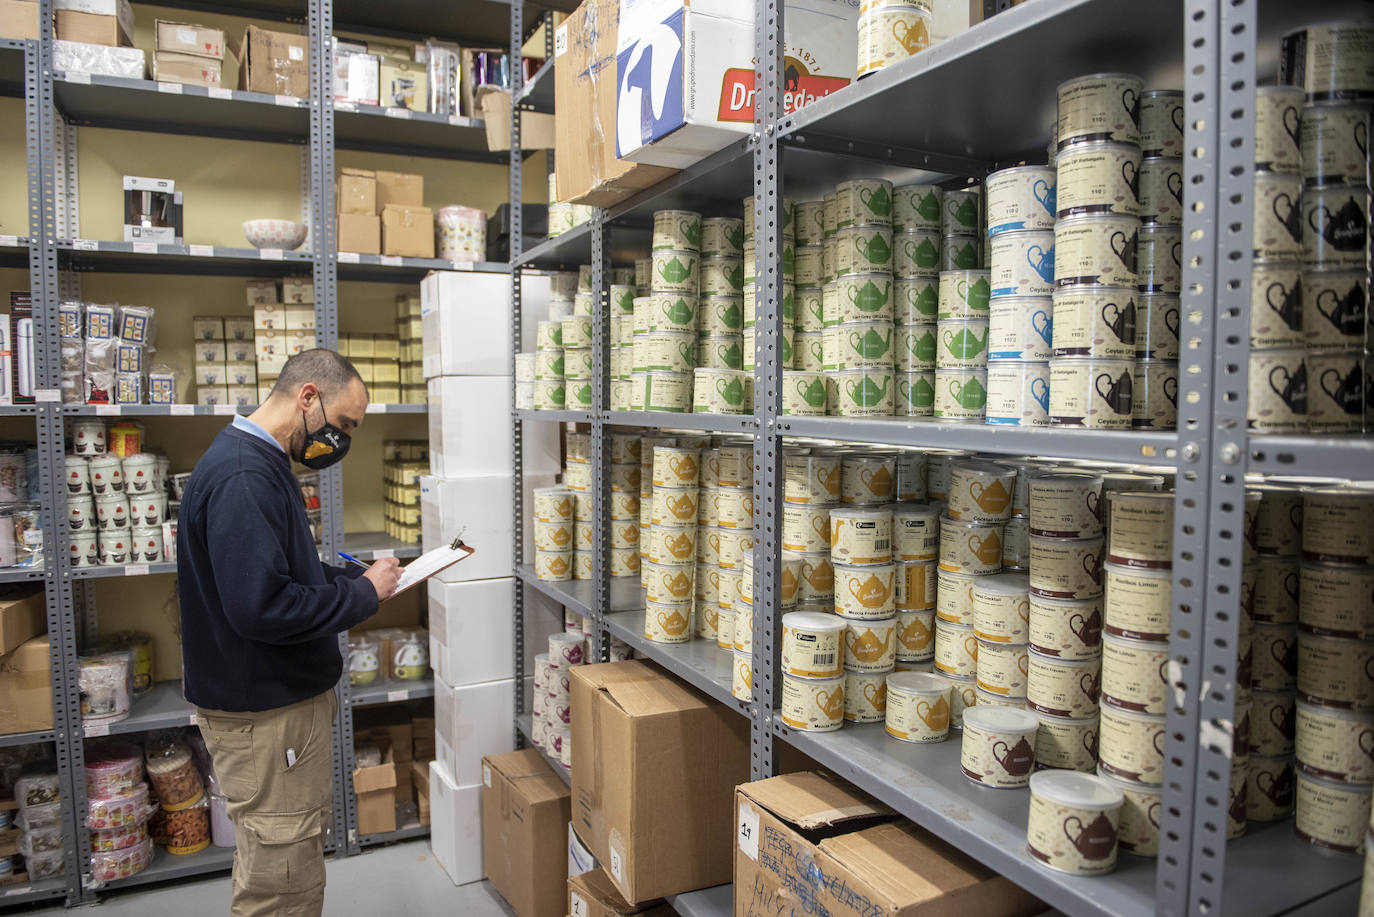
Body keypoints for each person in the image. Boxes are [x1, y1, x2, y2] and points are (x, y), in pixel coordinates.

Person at [176, 348, 401, 916]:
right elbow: (263, 609)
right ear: (308, 398)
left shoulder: (259, 462)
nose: (341, 440)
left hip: (273, 711)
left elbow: (278, 573)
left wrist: (353, 578)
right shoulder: (244, 476)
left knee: (280, 859)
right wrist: (362, 596)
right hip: (266, 716)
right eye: (343, 425)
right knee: (283, 882)